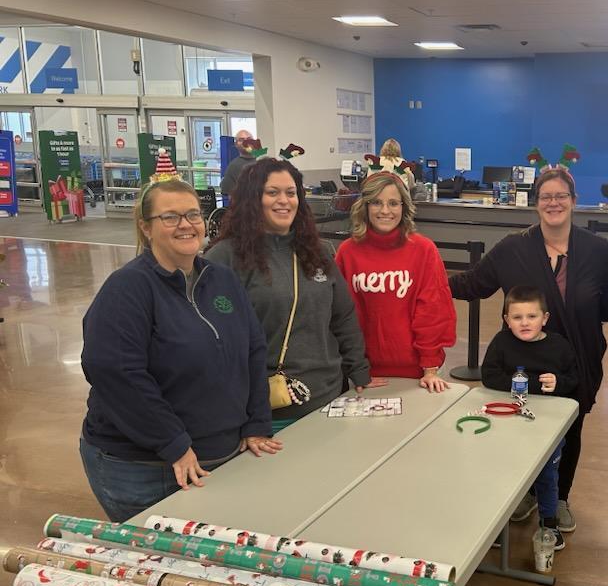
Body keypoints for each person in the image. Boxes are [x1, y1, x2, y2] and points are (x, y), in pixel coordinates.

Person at [79, 178, 281, 523]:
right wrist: (173, 443)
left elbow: (253, 349)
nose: (186, 225)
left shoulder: (222, 279)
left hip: (219, 455)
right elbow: (116, 374)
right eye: (170, 217)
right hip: (145, 467)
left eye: (193, 214)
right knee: (161, 566)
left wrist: (256, 421)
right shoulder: (127, 289)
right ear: (146, 227)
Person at [449, 165, 608, 534]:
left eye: (561, 196)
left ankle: (561, 496)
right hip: (520, 362)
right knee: (521, 427)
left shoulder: (598, 251)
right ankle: (527, 491)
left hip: (576, 361)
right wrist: (424, 279)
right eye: (546, 197)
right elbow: (473, 284)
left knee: (569, 429)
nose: (553, 203)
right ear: (535, 202)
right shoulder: (514, 248)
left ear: (573, 201)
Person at [205, 158, 372, 433]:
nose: (284, 200)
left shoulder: (318, 251)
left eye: (291, 193)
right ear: (252, 198)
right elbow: (214, 344)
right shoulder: (224, 258)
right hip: (267, 412)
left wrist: (359, 371)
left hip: (329, 399)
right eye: (272, 192)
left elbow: (342, 317)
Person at [335, 171, 456, 392]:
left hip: (417, 371)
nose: (385, 211)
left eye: (393, 203)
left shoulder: (423, 250)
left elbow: (433, 311)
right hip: (365, 373)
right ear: (365, 206)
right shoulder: (347, 253)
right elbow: (342, 317)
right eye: (376, 203)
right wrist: (357, 368)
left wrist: (430, 367)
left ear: (404, 206)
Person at [481, 285, 578, 549]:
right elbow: (489, 375)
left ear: (545, 318)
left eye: (532, 317)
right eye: (517, 317)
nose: (525, 323)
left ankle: (549, 524)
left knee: (547, 475)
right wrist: (527, 382)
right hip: (508, 424)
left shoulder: (559, 346)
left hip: (547, 425)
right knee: (503, 472)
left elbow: (574, 380)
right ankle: (497, 525)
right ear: (506, 320)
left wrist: (558, 382)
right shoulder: (501, 343)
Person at [220, 130, 256, 201]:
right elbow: (229, 193)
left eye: (249, 139)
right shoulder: (233, 167)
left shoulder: (262, 162)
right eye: (241, 140)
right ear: (236, 144)